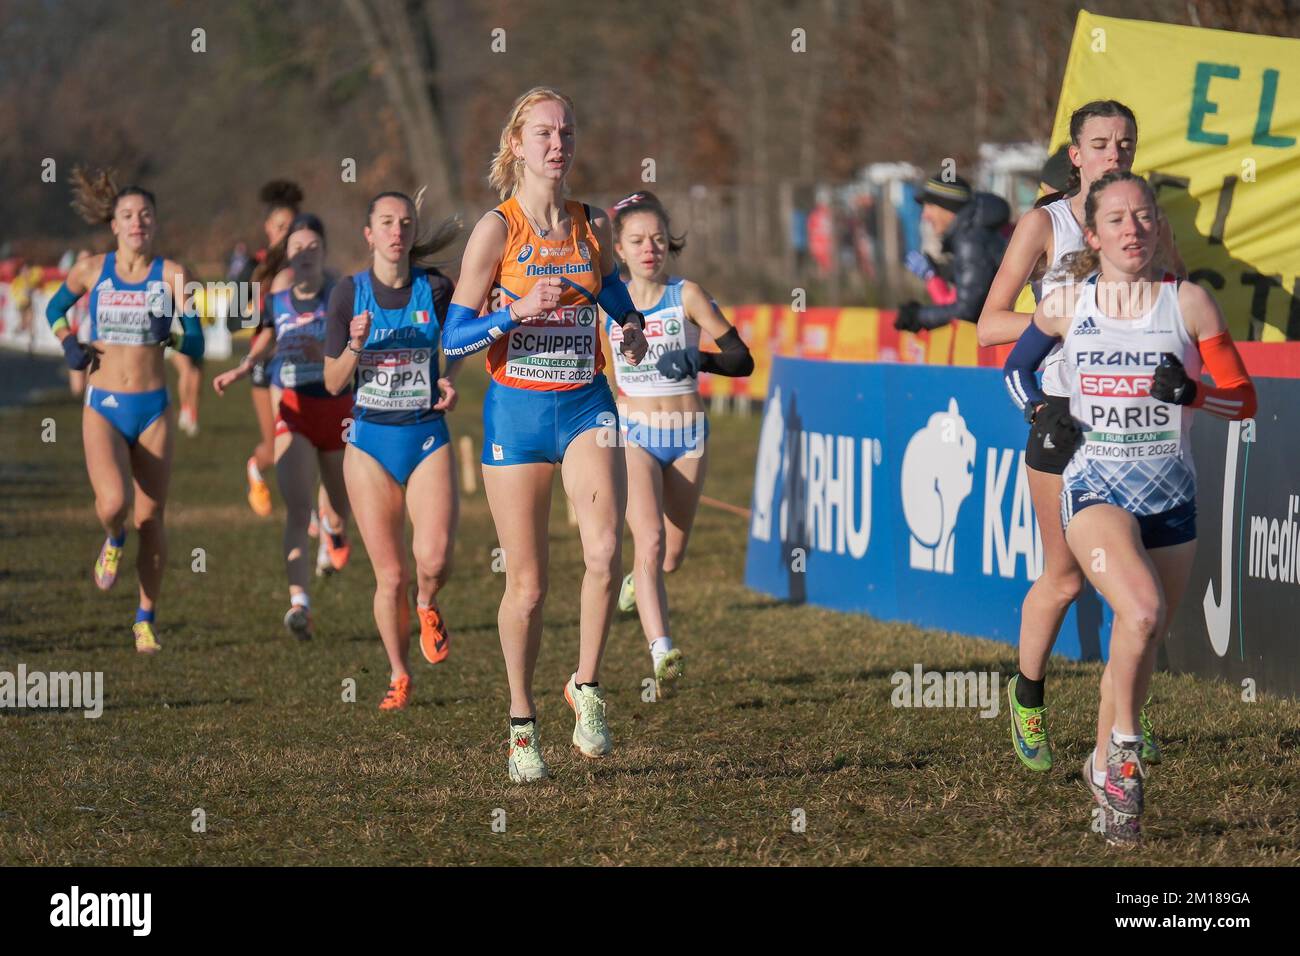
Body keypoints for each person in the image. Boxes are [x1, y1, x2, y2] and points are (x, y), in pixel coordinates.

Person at [1003, 171, 1256, 844]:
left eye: (1143, 217)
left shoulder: (1190, 304)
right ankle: (1125, 756)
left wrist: (1193, 396)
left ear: (1158, 226)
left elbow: (1244, 401)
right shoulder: (1065, 304)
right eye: (1116, 220)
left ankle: (1099, 761)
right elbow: (1015, 368)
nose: (1132, 230)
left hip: (1172, 499)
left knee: (1142, 638)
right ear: (1092, 235)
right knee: (1139, 609)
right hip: (1095, 490)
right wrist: (1039, 412)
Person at [439, 87, 649, 783]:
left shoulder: (591, 225)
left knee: (605, 549)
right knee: (527, 587)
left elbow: (612, 292)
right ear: (516, 146)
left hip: (586, 405)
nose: (558, 145)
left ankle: (586, 686)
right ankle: (522, 726)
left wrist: (631, 326)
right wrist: (516, 311)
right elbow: (454, 338)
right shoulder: (496, 232)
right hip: (517, 417)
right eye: (544, 135)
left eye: (566, 133)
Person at [979, 100, 1186, 774]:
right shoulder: (1047, 222)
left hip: (1134, 422)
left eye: (1125, 143)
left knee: (1143, 592)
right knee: (1065, 579)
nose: (1114, 155)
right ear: (1074, 154)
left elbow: (1176, 303)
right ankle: (1029, 700)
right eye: (1100, 144)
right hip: (1061, 415)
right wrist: (1066, 317)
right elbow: (989, 325)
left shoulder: (1144, 222)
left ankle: (1130, 713)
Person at [44, 167, 204, 653]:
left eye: (146, 215)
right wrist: (69, 342)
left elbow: (195, 341)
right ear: (114, 225)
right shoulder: (92, 269)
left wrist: (170, 333)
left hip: (153, 409)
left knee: (151, 522)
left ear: (155, 223)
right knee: (114, 505)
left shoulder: (175, 276)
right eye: (128, 216)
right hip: (105, 406)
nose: (138, 223)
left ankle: (144, 619)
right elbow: (54, 309)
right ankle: (112, 540)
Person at [603, 190, 753, 698]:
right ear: (619, 249)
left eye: (659, 239)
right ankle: (662, 650)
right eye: (638, 240)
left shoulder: (686, 295)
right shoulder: (607, 305)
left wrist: (698, 361)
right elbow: (596, 369)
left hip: (688, 436)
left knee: (671, 559)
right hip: (634, 435)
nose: (650, 249)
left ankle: (635, 585)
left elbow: (743, 361)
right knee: (648, 542)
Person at [323, 191, 460, 709]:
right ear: (369, 234)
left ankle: (428, 603)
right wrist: (356, 345)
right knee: (390, 574)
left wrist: (448, 380)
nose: (397, 231)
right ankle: (399, 675)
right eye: (386, 222)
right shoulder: (347, 294)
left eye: (405, 222)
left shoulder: (436, 288)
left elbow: (461, 343)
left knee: (434, 556)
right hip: (370, 442)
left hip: (426, 434)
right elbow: (334, 382)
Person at [213, 214, 352, 640]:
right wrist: (248, 365)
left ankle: (334, 528)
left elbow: (361, 344)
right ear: (286, 255)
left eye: (312, 248)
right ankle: (299, 604)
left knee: (339, 507)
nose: (304, 256)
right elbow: (268, 334)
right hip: (292, 407)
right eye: (297, 249)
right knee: (296, 507)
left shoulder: (343, 292)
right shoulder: (278, 293)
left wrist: (329, 348)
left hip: (338, 407)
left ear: (324, 251)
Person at [236, 180, 304, 517]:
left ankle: (313, 515)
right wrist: (261, 307)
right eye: (279, 226)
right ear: (267, 228)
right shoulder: (253, 266)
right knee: (278, 446)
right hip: (266, 363)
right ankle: (255, 467)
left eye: (292, 227)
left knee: (309, 442)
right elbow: (234, 320)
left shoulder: (310, 263)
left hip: (304, 363)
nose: (286, 233)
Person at [894, 173, 1009, 333]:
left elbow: (967, 311)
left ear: (947, 207)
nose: (924, 215)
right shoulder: (973, 232)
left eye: (930, 206)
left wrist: (917, 316)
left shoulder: (970, 240)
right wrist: (941, 272)